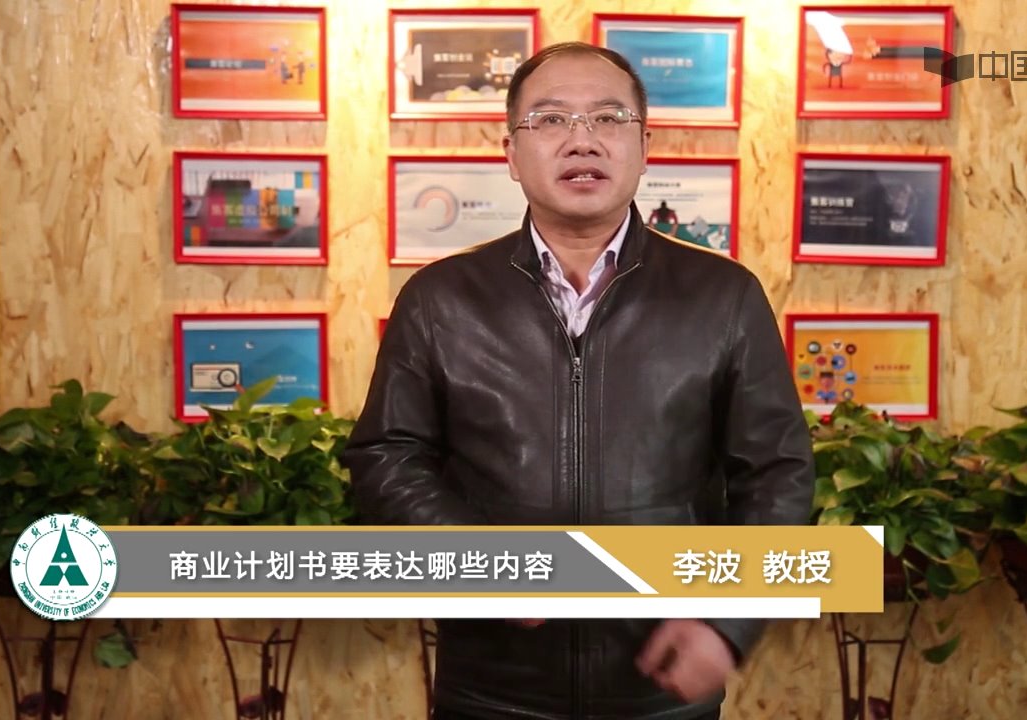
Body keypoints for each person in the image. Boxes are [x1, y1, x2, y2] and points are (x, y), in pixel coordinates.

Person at [342, 41, 814, 720]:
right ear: (511, 153)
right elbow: (387, 455)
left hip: (661, 690)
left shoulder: (725, 297)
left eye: (608, 118)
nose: (582, 139)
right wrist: (482, 562)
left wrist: (727, 620)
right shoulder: (440, 299)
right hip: (491, 689)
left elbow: (777, 472)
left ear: (645, 147)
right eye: (551, 119)